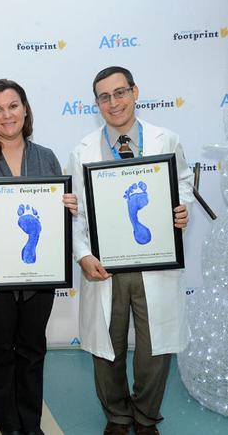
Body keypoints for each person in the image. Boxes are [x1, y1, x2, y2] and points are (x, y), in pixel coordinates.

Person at [69, 66, 193, 435]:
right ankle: (118, 418)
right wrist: (82, 254)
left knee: (155, 348)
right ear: (97, 104)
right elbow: (76, 212)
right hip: (104, 265)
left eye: (120, 92)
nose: (114, 102)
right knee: (107, 348)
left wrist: (180, 206)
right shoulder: (83, 150)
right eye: (104, 97)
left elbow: (182, 182)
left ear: (135, 92)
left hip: (154, 262)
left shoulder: (165, 140)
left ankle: (145, 418)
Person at [0, 79, 78, 435]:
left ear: (25, 109)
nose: (6, 115)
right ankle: (8, 423)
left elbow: (56, 216)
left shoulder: (46, 157)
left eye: (13, 106)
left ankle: (31, 422)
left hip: (39, 277)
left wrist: (68, 207)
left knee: (32, 350)